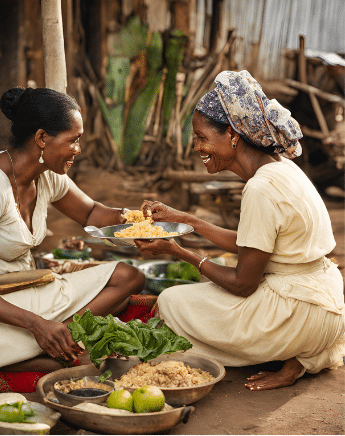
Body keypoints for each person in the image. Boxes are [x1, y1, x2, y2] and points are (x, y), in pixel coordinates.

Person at [134, 70, 345, 391]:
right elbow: (254, 245)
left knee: (173, 301)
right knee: (204, 289)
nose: (196, 147)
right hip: (327, 306)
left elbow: (243, 284)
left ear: (233, 135)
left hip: (300, 312)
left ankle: (281, 347)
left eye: (202, 137)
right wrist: (188, 220)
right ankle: (293, 358)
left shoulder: (261, 188)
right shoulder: (283, 168)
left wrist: (179, 252)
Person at [0, 87, 145, 376]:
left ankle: (59, 341)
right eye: (73, 140)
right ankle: (57, 345)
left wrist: (138, 219)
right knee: (113, 298)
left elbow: (90, 213)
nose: (78, 149)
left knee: (128, 278)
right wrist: (37, 324)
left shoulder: (46, 175)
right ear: (41, 138)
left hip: (14, 293)